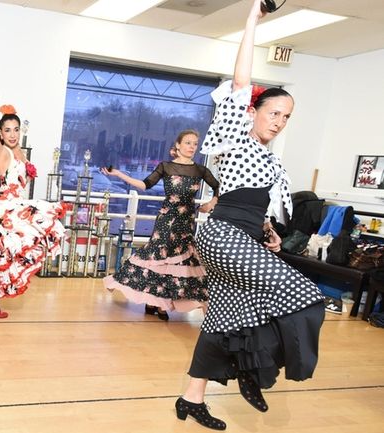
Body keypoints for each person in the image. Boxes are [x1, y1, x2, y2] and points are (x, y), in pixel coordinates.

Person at [174, 0, 325, 430]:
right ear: (253, 111)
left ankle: (192, 397)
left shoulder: (271, 160)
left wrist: (268, 234)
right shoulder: (236, 138)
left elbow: (256, 206)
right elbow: (242, 80)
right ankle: (253, 370)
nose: (279, 121)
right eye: (273, 112)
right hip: (222, 236)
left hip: (243, 238)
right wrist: (252, 19)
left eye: (286, 117)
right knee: (305, 298)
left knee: (223, 316)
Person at [101, 130, 219, 320]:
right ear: (178, 145)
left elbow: (218, 186)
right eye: (188, 143)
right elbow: (144, 184)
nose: (192, 147)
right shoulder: (166, 166)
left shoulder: (200, 170)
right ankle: (154, 302)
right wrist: (118, 174)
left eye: (195, 144)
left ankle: (163, 304)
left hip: (186, 222)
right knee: (159, 260)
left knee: (178, 263)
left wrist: (211, 203)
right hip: (166, 221)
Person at [0, 73, 65, 319]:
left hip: (17, 208)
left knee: (2, 254)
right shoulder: (2, 152)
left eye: (16, 129)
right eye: (7, 130)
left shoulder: (20, 154)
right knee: (35, 232)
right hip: (8, 210)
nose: (12, 134)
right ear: (2, 134)